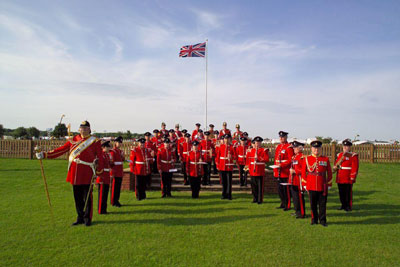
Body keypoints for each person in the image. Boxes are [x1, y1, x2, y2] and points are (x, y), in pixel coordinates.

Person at [35, 120, 104, 226]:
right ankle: (80, 217)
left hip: (87, 172)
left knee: (87, 197)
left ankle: (87, 218)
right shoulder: (74, 140)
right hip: (75, 172)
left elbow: (100, 157)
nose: (83, 130)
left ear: (89, 129)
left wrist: (99, 171)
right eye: (82, 128)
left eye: (86, 128)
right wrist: (45, 155)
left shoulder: (94, 141)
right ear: (79, 129)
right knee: (77, 197)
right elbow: (61, 150)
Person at [301, 140, 332, 226]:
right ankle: (314, 219)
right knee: (312, 204)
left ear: (321, 149)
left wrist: (329, 184)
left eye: (318, 148)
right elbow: (303, 172)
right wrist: (304, 184)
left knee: (322, 205)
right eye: (314, 148)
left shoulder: (325, 159)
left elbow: (329, 172)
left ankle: (322, 220)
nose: (316, 150)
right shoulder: (307, 159)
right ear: (311, 149)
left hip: (322, 185)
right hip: (311, 185)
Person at [333, 139, 359, 212]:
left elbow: (355, 167)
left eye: (347, 146)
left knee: (348, 192)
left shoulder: (353, 155)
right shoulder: (340, 155)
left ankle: (348, 206)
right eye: (344, 146)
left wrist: (352, 177)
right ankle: (343, 205)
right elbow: (337, 163)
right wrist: (335, 167)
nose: (345, 147)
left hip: (348, 177)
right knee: (341, 192)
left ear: (350, 147)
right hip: (340, 176)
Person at [273, 131, 294, 211]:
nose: (281, 138)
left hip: (285, 172)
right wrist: (275, 169)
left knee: (286, 190)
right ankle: (282, 203)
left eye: (283, 137)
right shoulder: (278, 147)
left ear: (286, 138)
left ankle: (287, 205)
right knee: (280, 190)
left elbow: (290, 160)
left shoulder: (288, 147)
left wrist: (281, 165)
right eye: (280, 137)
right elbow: (276, 159)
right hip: (278, 172)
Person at [246, 136, 269, 204]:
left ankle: (260, 199)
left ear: (260, 143)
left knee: (260, 187)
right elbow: (249, 160)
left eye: (258, 142)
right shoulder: (251, 150)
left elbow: (266, 159)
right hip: (253, 171)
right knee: (253, 186)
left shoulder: (263, 150)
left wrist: (258, 158)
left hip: (260, 171)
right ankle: (255, 198)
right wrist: (248, 168)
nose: (257, 143)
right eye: (256, 142)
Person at [216, 134, 236, 200]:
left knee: (229, 182)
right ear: (224, 139)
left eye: (227, 139)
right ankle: (223, 194)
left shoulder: (232, 147)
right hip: (222, 166)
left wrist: (231, 157)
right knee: (223, 181)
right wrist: (218, 165)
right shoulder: (221, 146)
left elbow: (235, 156)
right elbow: (218, 157)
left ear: (229, 139)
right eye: (225, 139)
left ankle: (229, 195)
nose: (226, 140)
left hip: (229, 166)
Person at [289, 141, 306, 219]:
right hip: (293, 180)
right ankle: (297, 211)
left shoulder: (302, 157)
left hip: (298, 180)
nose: (294, 149)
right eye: (294, 147)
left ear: (300, 148)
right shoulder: (295, 156)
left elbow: (304, 170)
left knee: (299, 197)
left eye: (295, 147)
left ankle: (301, 213)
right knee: (295, 197)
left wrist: (295, 171)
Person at [96, 141, 112, 214]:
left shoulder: (106, 155)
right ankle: (100, 210)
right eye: (108, 147)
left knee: (105, 194)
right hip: (102, 176)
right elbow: (99, 167)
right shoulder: (101, 155)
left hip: (107, 176)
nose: (109, 148)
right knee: (102, 194)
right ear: (104, 147)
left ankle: (104, 209)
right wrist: (100, 177)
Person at [110, 136, 125, 207]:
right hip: (115, 172)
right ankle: (114, 201)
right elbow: (112, 163)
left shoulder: (120, 151)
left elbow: (122, 161)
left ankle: (117, 200)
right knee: (114, 188)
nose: (120, 144)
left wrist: (123, 156)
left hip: (119, 172)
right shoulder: (113, 151)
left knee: (118, 188)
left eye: (121, 143)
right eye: (119, 142)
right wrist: (112, 173)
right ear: (115, 143)